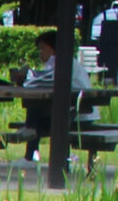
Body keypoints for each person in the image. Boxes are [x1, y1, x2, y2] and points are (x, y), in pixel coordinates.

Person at [21, 29, 99, 161]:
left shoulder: (64, 63)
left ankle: (30, 156)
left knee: (35, 115)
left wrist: (27, 78)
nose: (40, 53)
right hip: (73, 113)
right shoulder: (58, 62)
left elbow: (48, 83)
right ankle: (31, 153)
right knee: (35, 115)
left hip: (79, 116)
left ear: (53, 49)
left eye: (42, 49)